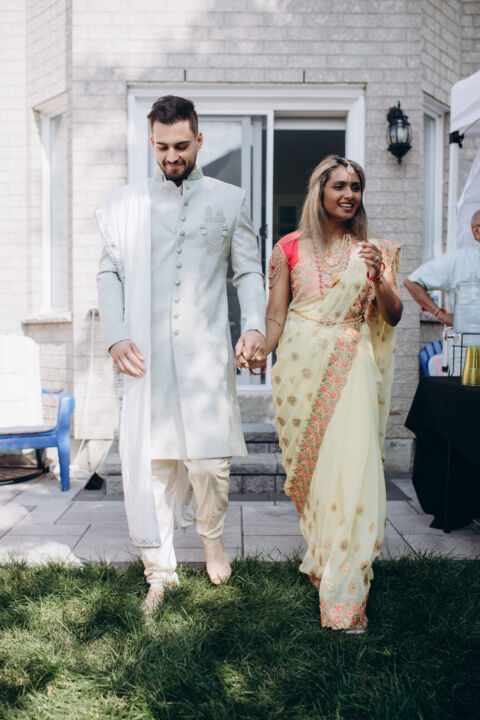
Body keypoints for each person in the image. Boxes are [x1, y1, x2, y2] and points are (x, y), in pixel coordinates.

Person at [96, 95, 266, 613]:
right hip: (145, 357)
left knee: (210, 463)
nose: (172, 156)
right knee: (155, 468)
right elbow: (110, 272)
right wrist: (116, 334)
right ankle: (160, 571)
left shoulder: (229, 200)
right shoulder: (128, 205)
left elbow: (248, 271)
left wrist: (254, 325)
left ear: (199, 140)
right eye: (163, 146)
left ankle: (211, 537)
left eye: (182, 145)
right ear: (151, 142)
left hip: (206, 356)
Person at [254, 155, 403, 631]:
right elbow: (275, 314)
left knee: (353, 468)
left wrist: (378, 276)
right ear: (319, 191)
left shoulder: (373, 251)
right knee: (318, 473)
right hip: (299, 368)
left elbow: (394, 315)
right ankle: (324, 556)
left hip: (351, 364)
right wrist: (260, 348)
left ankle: (346, 593)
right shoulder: (287, 248)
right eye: (339, 185)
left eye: (355, 187)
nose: (348, 194)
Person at [404, 209, 480, 326]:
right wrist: (439, 314)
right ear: (476, 230)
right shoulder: (458, 260)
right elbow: (412, 282)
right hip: (469, 335)